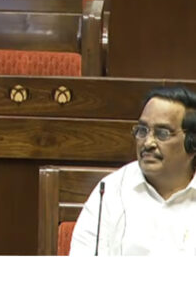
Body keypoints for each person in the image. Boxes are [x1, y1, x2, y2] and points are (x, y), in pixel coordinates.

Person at [70, 87, 196, 255]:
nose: (148, 143)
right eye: (142, 131)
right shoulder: (110, 191)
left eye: (162, 133)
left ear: (192, 143)